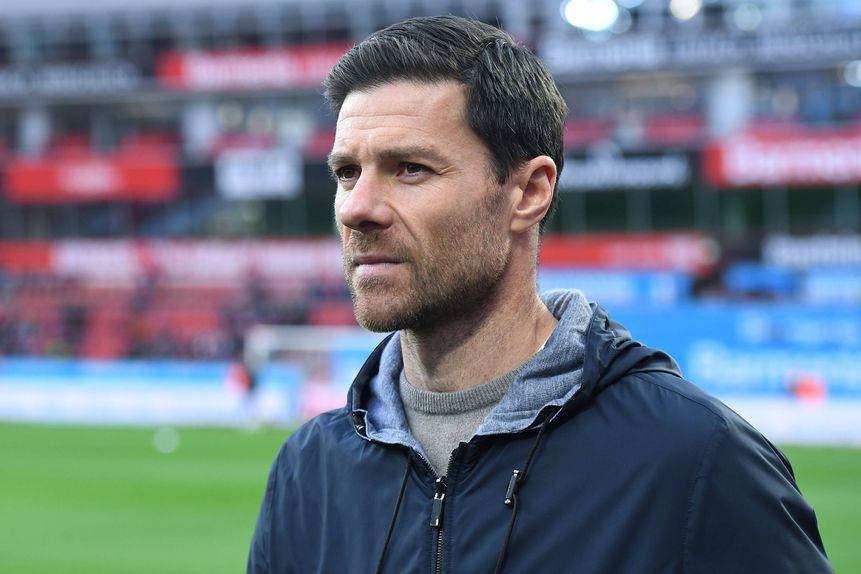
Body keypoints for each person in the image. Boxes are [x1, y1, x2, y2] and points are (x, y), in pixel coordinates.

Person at [248, 15, 833, 574]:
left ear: (529, 192)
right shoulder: (308, 470)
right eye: (347, 173)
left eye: (410, 169)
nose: (355, 208)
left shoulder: (698, 462)